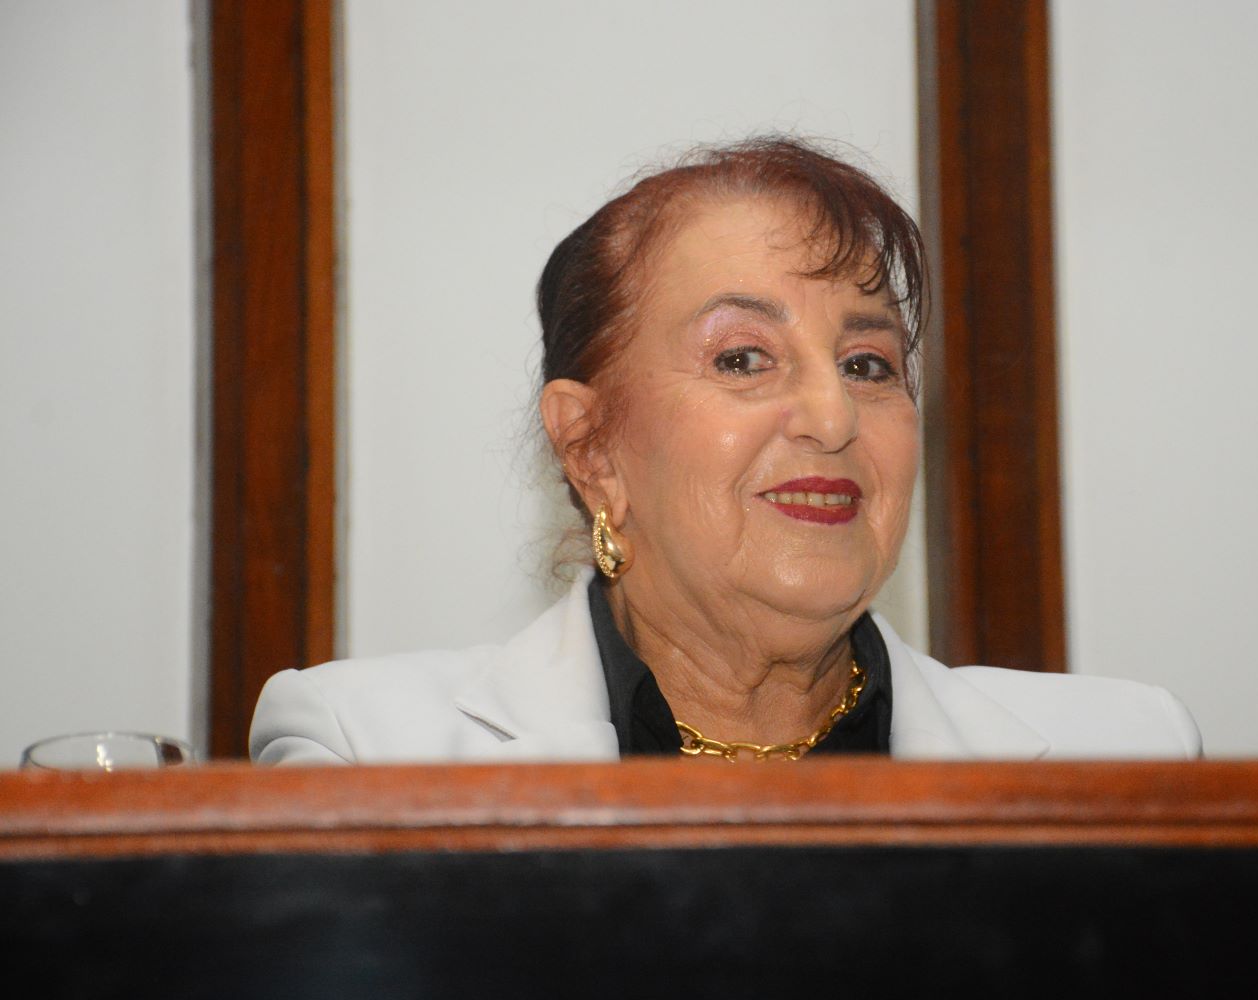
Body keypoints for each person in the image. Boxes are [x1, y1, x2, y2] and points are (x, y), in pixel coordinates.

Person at [250, 137, 1200, 764]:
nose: (832, 416)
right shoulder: (365, 750)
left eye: (868, 364)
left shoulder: (1128, 757)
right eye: (744, 358)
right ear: (590, 448)